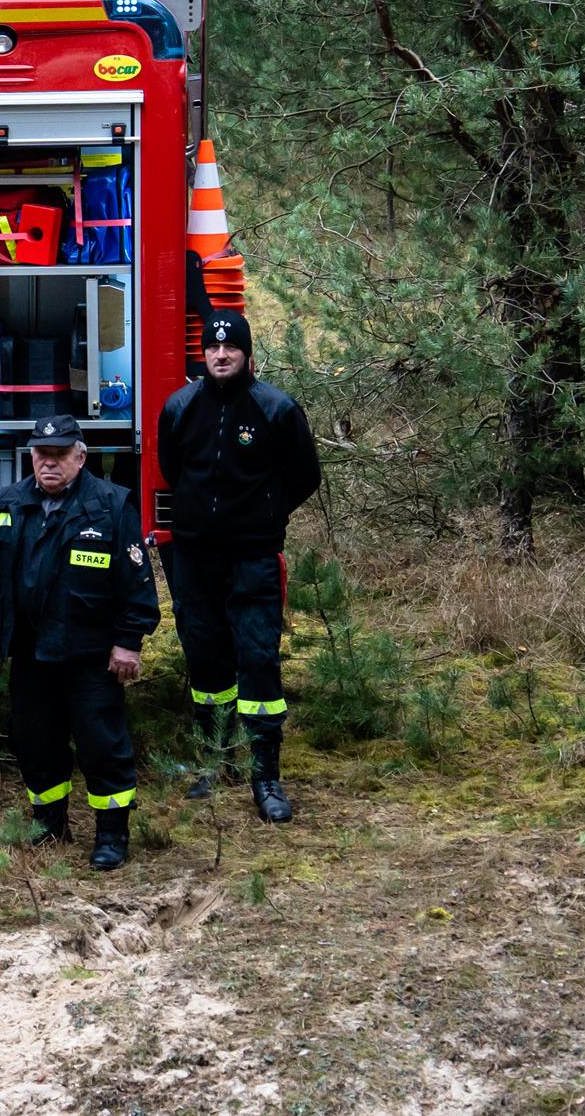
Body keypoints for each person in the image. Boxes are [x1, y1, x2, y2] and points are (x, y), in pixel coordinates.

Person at [156, 308, 324, 822]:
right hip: (193, 558)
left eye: (231, 347)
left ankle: (265, 776)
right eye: (212, 347)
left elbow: (305, 477)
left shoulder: (276, 408)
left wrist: (263, 514)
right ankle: (215, 757)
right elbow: (171, 467)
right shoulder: (180, 407)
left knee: (257, 660)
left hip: (251, 558)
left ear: (248, 353)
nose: (221, 354)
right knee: (206, 661)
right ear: (203, 353)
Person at [0, 414, 160, 871]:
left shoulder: (109, 505)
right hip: (31, 652)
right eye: (42, 454)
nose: (49, 463)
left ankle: (112, 833)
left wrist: (128, 642)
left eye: (60, 454)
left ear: (80, 457)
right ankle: (49, 822)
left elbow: (136, 583)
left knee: (101, 743)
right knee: (35, 740)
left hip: (90, 653)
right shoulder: (9, 504)